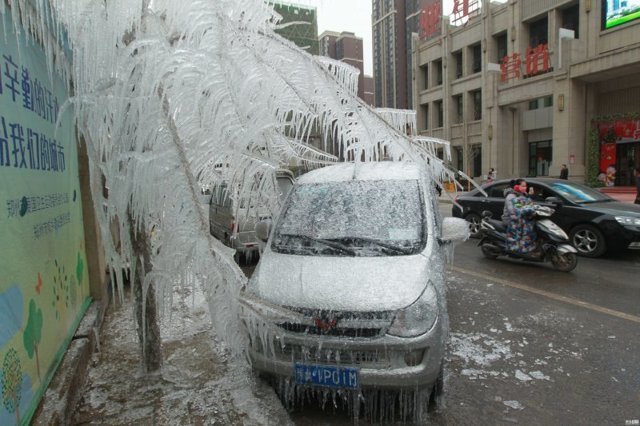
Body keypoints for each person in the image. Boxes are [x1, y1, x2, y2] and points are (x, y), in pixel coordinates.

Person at [502, 179, 539, 256]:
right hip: (510, 219)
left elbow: (527, 205)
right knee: (526, 230)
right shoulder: (511, 196)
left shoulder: (523, 194)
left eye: (525, 186)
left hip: (520, 217)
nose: (525, 188)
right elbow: (513, 211)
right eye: (523, 186)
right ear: (516, 186)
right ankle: (517, 248)